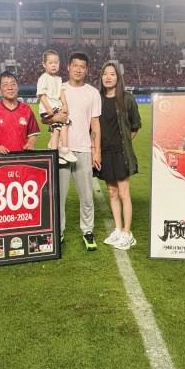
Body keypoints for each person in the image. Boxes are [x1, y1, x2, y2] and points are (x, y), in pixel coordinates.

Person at [44, 52, 101, 251]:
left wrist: (96, 151)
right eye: (75, 65)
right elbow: (45, 118)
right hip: (61, 150)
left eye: (82, 67)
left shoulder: (93, 93)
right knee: (59, 196)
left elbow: (95, 123)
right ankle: (58, 231)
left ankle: (88, 231)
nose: (78, 69)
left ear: (87, 70)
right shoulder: (58, 88)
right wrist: (55, 118)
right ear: (68, 67)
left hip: (83, 149)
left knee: (87, 196)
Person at [97, 62, 142, 251]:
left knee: (124, 193)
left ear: (118, 77)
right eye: (105, 74)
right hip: (105, 153)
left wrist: (124, 143)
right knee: (112, 192)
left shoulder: (127, 99)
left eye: (112, 74)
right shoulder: (98, 99)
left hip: (121, 154)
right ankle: (117, 229)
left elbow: (135, 126)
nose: (108, 77)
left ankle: (127, 233)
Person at [0, 72, 40, 153]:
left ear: (17, 88)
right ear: (0, 90)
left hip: (21, 158)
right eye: (5, 85)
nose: (10, 88)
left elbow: (32, 134)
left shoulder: (26, 109)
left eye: (13, 84)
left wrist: (30, 143)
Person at [36, 49, 77, 163]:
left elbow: (61, 93)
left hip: (56, 107)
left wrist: (65, 105)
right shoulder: (43, 78)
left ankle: (58, 152)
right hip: (48, 109)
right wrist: (48, 109)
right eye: (50, 63)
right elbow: (42, 95)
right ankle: (62, 151)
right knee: (61, 125)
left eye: (56, 62)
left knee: (58, 128)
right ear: (44, 64)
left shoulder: (58, 79)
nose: (54, 65)